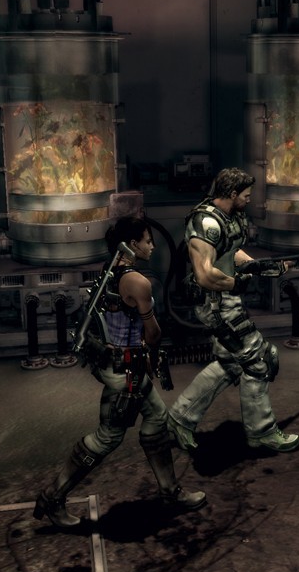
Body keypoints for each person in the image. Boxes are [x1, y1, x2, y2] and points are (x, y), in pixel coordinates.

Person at [33, 216, 207, 527]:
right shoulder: (138, 282)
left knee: (157, 418)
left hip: (120, 364)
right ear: (132, 244)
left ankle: (170, 491)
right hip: (124, 371)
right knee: (107, 437)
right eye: (147, 240)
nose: (152, 246)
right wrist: (152, 343)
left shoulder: (110, 270)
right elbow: (153, 333)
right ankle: (53, 497)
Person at [164, 167, 299, 454]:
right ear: (231, 193)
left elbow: (232, 251)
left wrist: (265, 267)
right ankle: (261, 432)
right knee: (258, 360)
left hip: (227, 300)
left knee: (230, 364)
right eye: (246, 195)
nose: (249, 199)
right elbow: (205, 275)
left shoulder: (230, 216)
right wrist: (237, 282)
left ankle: (179, 419)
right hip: (215, 304)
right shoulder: (206, 223)